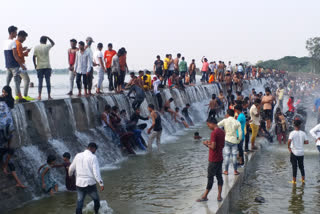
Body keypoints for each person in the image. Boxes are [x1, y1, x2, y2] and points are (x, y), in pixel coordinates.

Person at [69, 143, 104, 214]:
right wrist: (101, 183)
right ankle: (96, 212)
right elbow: (96, 172)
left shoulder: (78, 155)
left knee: (80, 202)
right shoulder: (93, 157)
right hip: (90, 183)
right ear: (93, 148)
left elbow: (71, 168)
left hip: (79, 183)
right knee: (96, 200)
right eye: (95, 150)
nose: (95, 151)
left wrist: (70, 175)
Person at [197, 116, 225, 202]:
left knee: (210, 177)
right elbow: (220, 144)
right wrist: (210, 143)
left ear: (211, 123)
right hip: (220, 157)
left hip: (213, 159)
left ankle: (205, 196)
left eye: (208, 125)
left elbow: (213, 147)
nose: (208, 127)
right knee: (219, 176)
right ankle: (219, 196)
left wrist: (206, 144)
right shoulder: (222, 131)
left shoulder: (214, 133)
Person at [4, 26, 26, 101]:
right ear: (12, 33)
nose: (16, 34)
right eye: (16, 32)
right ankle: (20, 97)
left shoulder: (5, 42)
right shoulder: (13, 42)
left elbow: (7, 54)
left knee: (7, 82)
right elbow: (15, 55)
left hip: (8, 65)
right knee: (17, 82)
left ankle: (4, 95)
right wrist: (22, 65)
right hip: (14, 65)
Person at [218, 109, 242, 175]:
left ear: (228, 114)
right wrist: (238, 140)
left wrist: (222, 133)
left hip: (227, 140)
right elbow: (240, 133)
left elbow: (217, 125)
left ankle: (226, 171)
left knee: (227, 156)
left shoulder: (225, 121)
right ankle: (235, 171)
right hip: (234, 140)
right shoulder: (237, 122)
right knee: (234, 156)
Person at [33, 35, 55, 100]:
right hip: (47, 66)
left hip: (39, 67)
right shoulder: (47, 46)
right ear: (45, 41)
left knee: (40, 81)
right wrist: (48, 37)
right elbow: (53, 43)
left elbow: (34, 57)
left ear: (40, 40)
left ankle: (39, 96)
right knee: (48, 81)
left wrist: (35, 65)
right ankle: (49, 96)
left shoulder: (36, 47)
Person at [15, 30, 33, 101]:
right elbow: (20, 55)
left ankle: (17, 95)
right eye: (24, 38)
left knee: (18, 81)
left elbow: (17, 52)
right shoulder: (19, 43)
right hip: (20, 64)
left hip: (16, 65)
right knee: (27, 79)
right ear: (20, 36)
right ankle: (25, 95)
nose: (24, 40)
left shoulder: (15, 43)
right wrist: (26, 52)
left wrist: (23, 49)